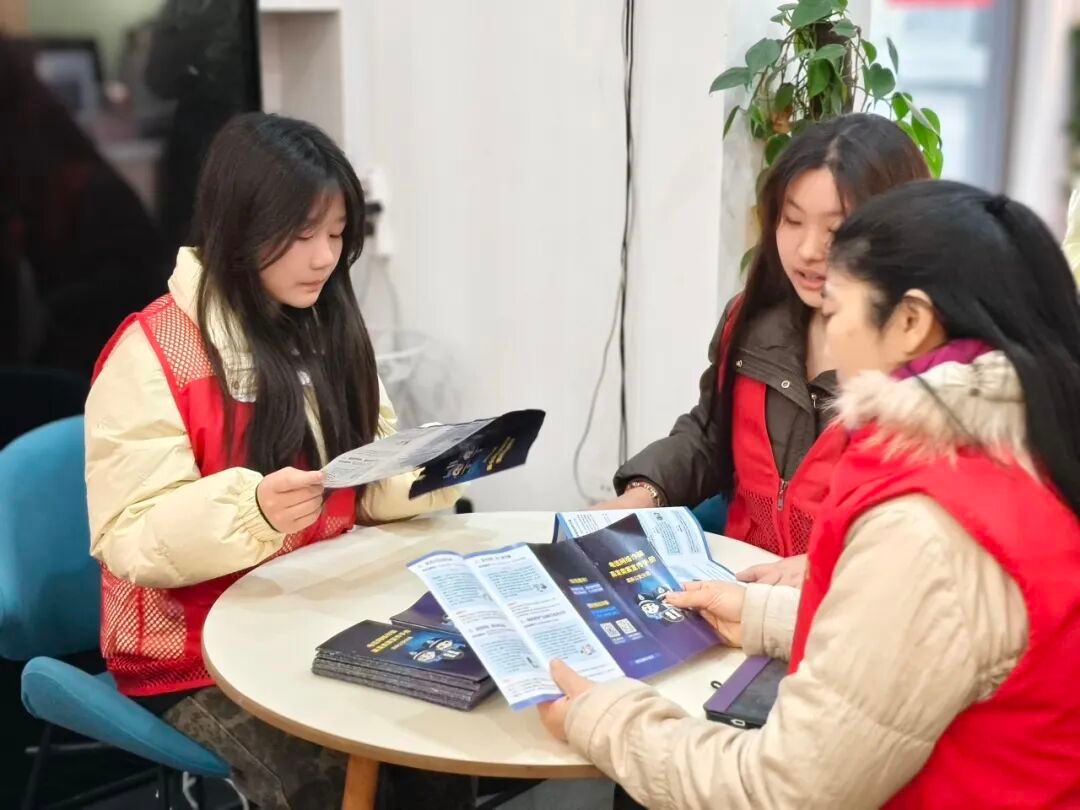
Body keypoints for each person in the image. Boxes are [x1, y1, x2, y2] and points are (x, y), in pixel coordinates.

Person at [539, 180, 1080, 808]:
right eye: (792, 221)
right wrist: (765, 616)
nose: (829, 332)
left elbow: (785, 791)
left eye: (837, 309)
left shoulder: (925, 529)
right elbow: (930, 640)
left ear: (910, 321)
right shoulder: (1023, 448)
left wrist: (607, 718)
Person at [85, 113, 465, 809]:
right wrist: (252, 511)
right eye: (301, 235)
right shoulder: (152, 352)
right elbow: (130, 536)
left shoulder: (328, 327)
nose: (324, 258)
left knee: (437, 744)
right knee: (325, 782)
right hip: (193, 650)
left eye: (337, 234)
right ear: (241, 227)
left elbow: (366, 477)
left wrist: (431, 470)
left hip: (316, 612)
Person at [597, 113, 931, 586]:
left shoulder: (932, 369)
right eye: (792, 220)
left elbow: (925, 532)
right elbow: (710, 437)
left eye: (836, 231)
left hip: (844, 601)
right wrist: (643, 493)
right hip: (737, 579)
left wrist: (827, 566)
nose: (808, 250)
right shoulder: (751, 322)